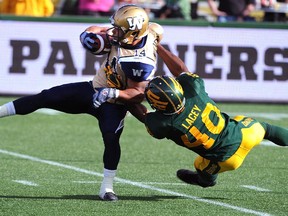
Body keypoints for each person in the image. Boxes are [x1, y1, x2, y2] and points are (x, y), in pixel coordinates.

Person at [0, 4, 163, 201]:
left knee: (111, 138)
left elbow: (137, 95)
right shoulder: (148, 30)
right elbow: (101, 29)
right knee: (46, 96)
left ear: (133, 33)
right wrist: (89, 35)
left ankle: (107, 188)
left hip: (114, 102)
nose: (113, 32)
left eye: (119, 29)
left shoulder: (139, 62)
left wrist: (113, 93)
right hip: (93, 88)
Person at [141, 44, 288, 188]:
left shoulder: (162, 123)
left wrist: (120, 95)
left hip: (227, 161)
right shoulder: (194, 89)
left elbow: (140, 111)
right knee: (266, 129)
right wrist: (156, 45)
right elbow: (180, 70)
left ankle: (205, 181)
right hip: (245, 134)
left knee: (200, 166)